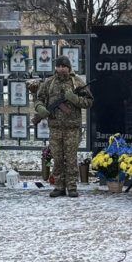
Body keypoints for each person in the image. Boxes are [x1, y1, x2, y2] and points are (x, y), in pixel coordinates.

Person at [33, 55, 93, 197]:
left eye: (64, 66)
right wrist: (40, 108)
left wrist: (75, 99)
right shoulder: (49, 83)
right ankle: (59, 186)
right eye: (59, 66)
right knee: (57, 158)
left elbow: (89, 102)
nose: (61, 69)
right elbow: (38, 99)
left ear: (69, 68)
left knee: (71, 159)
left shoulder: (77, 82)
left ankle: (72, 187)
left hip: (72, 128)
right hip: (55, 128)